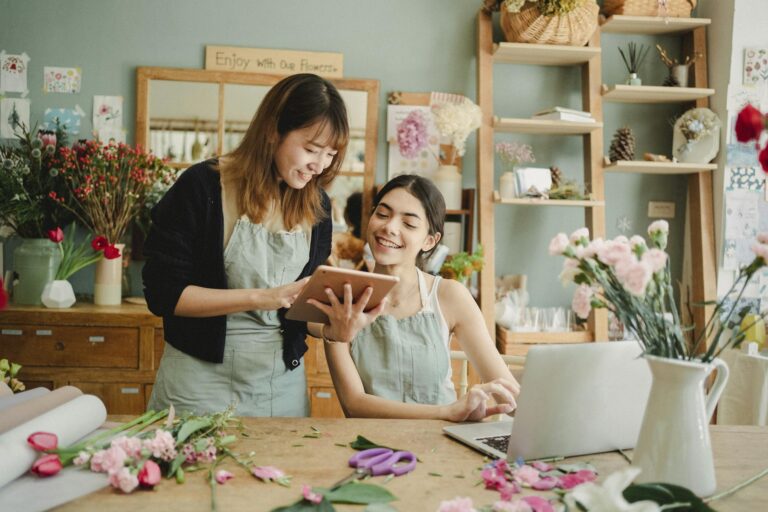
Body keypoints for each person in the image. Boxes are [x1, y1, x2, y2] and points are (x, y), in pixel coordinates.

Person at [142, 73, 349, 417]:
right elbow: (163, 293)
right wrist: (261, 297)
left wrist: (333, 324)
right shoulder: (201, 186)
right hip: (197, 381)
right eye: (311, 149)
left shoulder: (318, 206)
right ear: (272, 131)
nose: (320, 165)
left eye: (329, 154)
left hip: (279, 385)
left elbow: (301, 312)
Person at [309, 174, 520, 421]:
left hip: (442, 446)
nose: (390, 227)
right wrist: (448, 411)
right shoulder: (341, 298)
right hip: (370, 450)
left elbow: (509, 393)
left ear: (430, 240)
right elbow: (354, 404)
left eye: (409, 224)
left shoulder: (449, 296)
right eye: (383, 214)